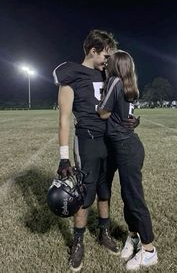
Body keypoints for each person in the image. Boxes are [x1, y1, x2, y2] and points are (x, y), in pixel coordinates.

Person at [53, 29, 120, 272]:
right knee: (84, 194)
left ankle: (104, 232)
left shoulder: (107, 73)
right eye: (105, 54)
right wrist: (63, 158)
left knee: (105, 189)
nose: (107, 60)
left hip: (109, 139)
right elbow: (63, 119)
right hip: (88, 140)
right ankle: (78, 241)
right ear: (93, 51)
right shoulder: (72, 76)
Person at [97, 50, 158, 271]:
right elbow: (127, 115)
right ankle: (132, 237)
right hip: (126, 146)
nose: (105, 63)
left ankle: (149, 250)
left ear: (115, 66)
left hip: (126, 147)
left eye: (109, 61)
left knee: (134, 198)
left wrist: (101, 108)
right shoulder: (128, 83)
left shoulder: (113, 80)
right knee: (127, 195)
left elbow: (103, 112)